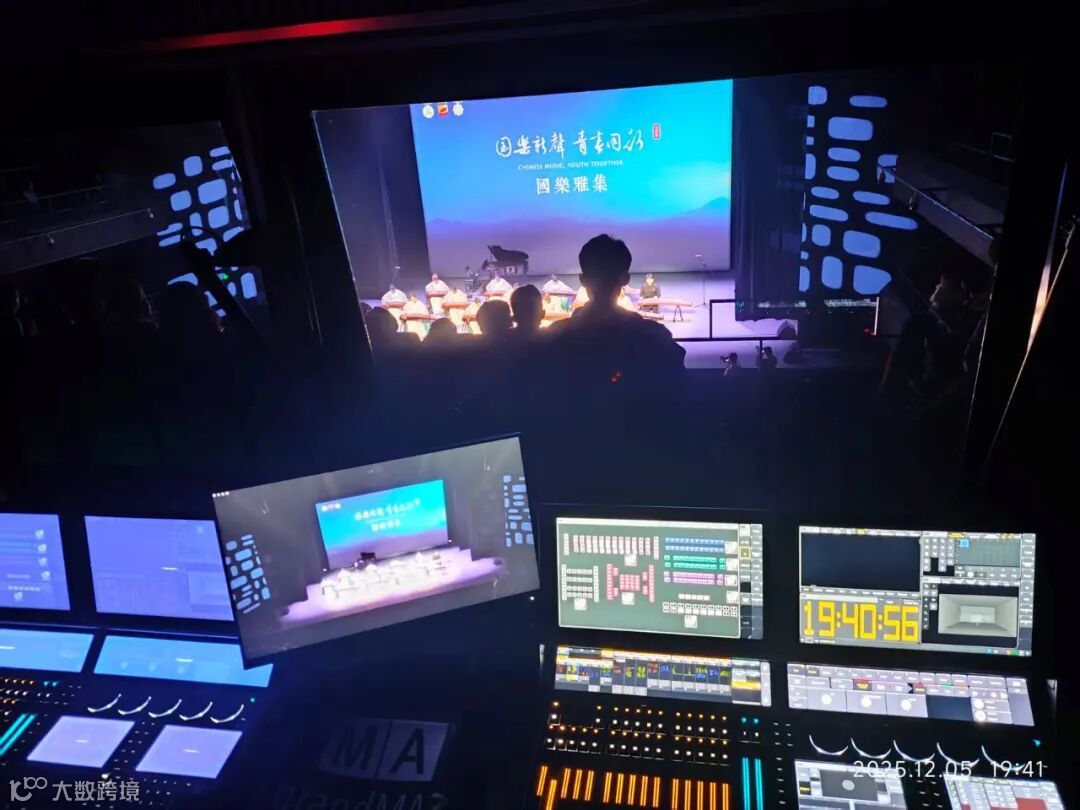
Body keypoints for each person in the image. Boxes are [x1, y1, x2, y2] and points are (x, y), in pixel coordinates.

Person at [549, 234, 685, 389]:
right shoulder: (655, 336)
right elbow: (676, 386)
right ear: (625, 279)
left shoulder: (556, 336)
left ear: (583, 280)